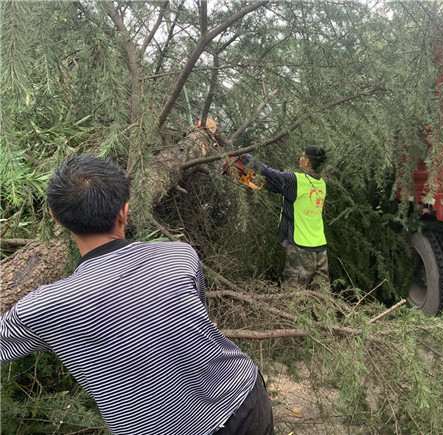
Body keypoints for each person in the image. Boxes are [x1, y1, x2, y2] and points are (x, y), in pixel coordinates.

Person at [0, 154, 273, 435]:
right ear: (124, 211)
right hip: (245, 399)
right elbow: (202, 319)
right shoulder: (179, 255)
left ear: (55, 216)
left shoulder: (43, 307)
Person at [245, 146, 330, 288]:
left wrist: (245, 157)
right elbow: (279, 188)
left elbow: (269, 173)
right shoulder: (321, 184)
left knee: (292, 297)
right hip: (320, 249)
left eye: (302, 156)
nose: (300, 158)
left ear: (307, 161)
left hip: (301, 248)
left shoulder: (295, 180)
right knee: (321, 298)